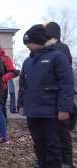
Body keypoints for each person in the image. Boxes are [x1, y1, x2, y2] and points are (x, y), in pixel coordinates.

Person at [18, 24, 74, 168]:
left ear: (37, 40)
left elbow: (66, 84)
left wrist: (64, 108)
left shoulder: (57, 57)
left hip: (51, 112)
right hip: (33, 111)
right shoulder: (28, 61)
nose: (26, 46)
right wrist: (21, 104)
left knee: (53, 145)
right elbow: (23, 85)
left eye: (28, 42)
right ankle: (41, 163)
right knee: (38, 143)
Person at [44, 21, 76, 168]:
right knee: (53, 133)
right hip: (51, 98)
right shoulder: (47, 49)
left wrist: (65, 104)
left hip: (58, 97)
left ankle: (66, 162)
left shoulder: (60, 48)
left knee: (62, 132)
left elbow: (65, 78)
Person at [0, 41, 15, 120]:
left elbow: (11, 72)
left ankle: (3, 126)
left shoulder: (6, 58)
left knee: (1, 107)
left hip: (2, 87)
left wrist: (1, 79)